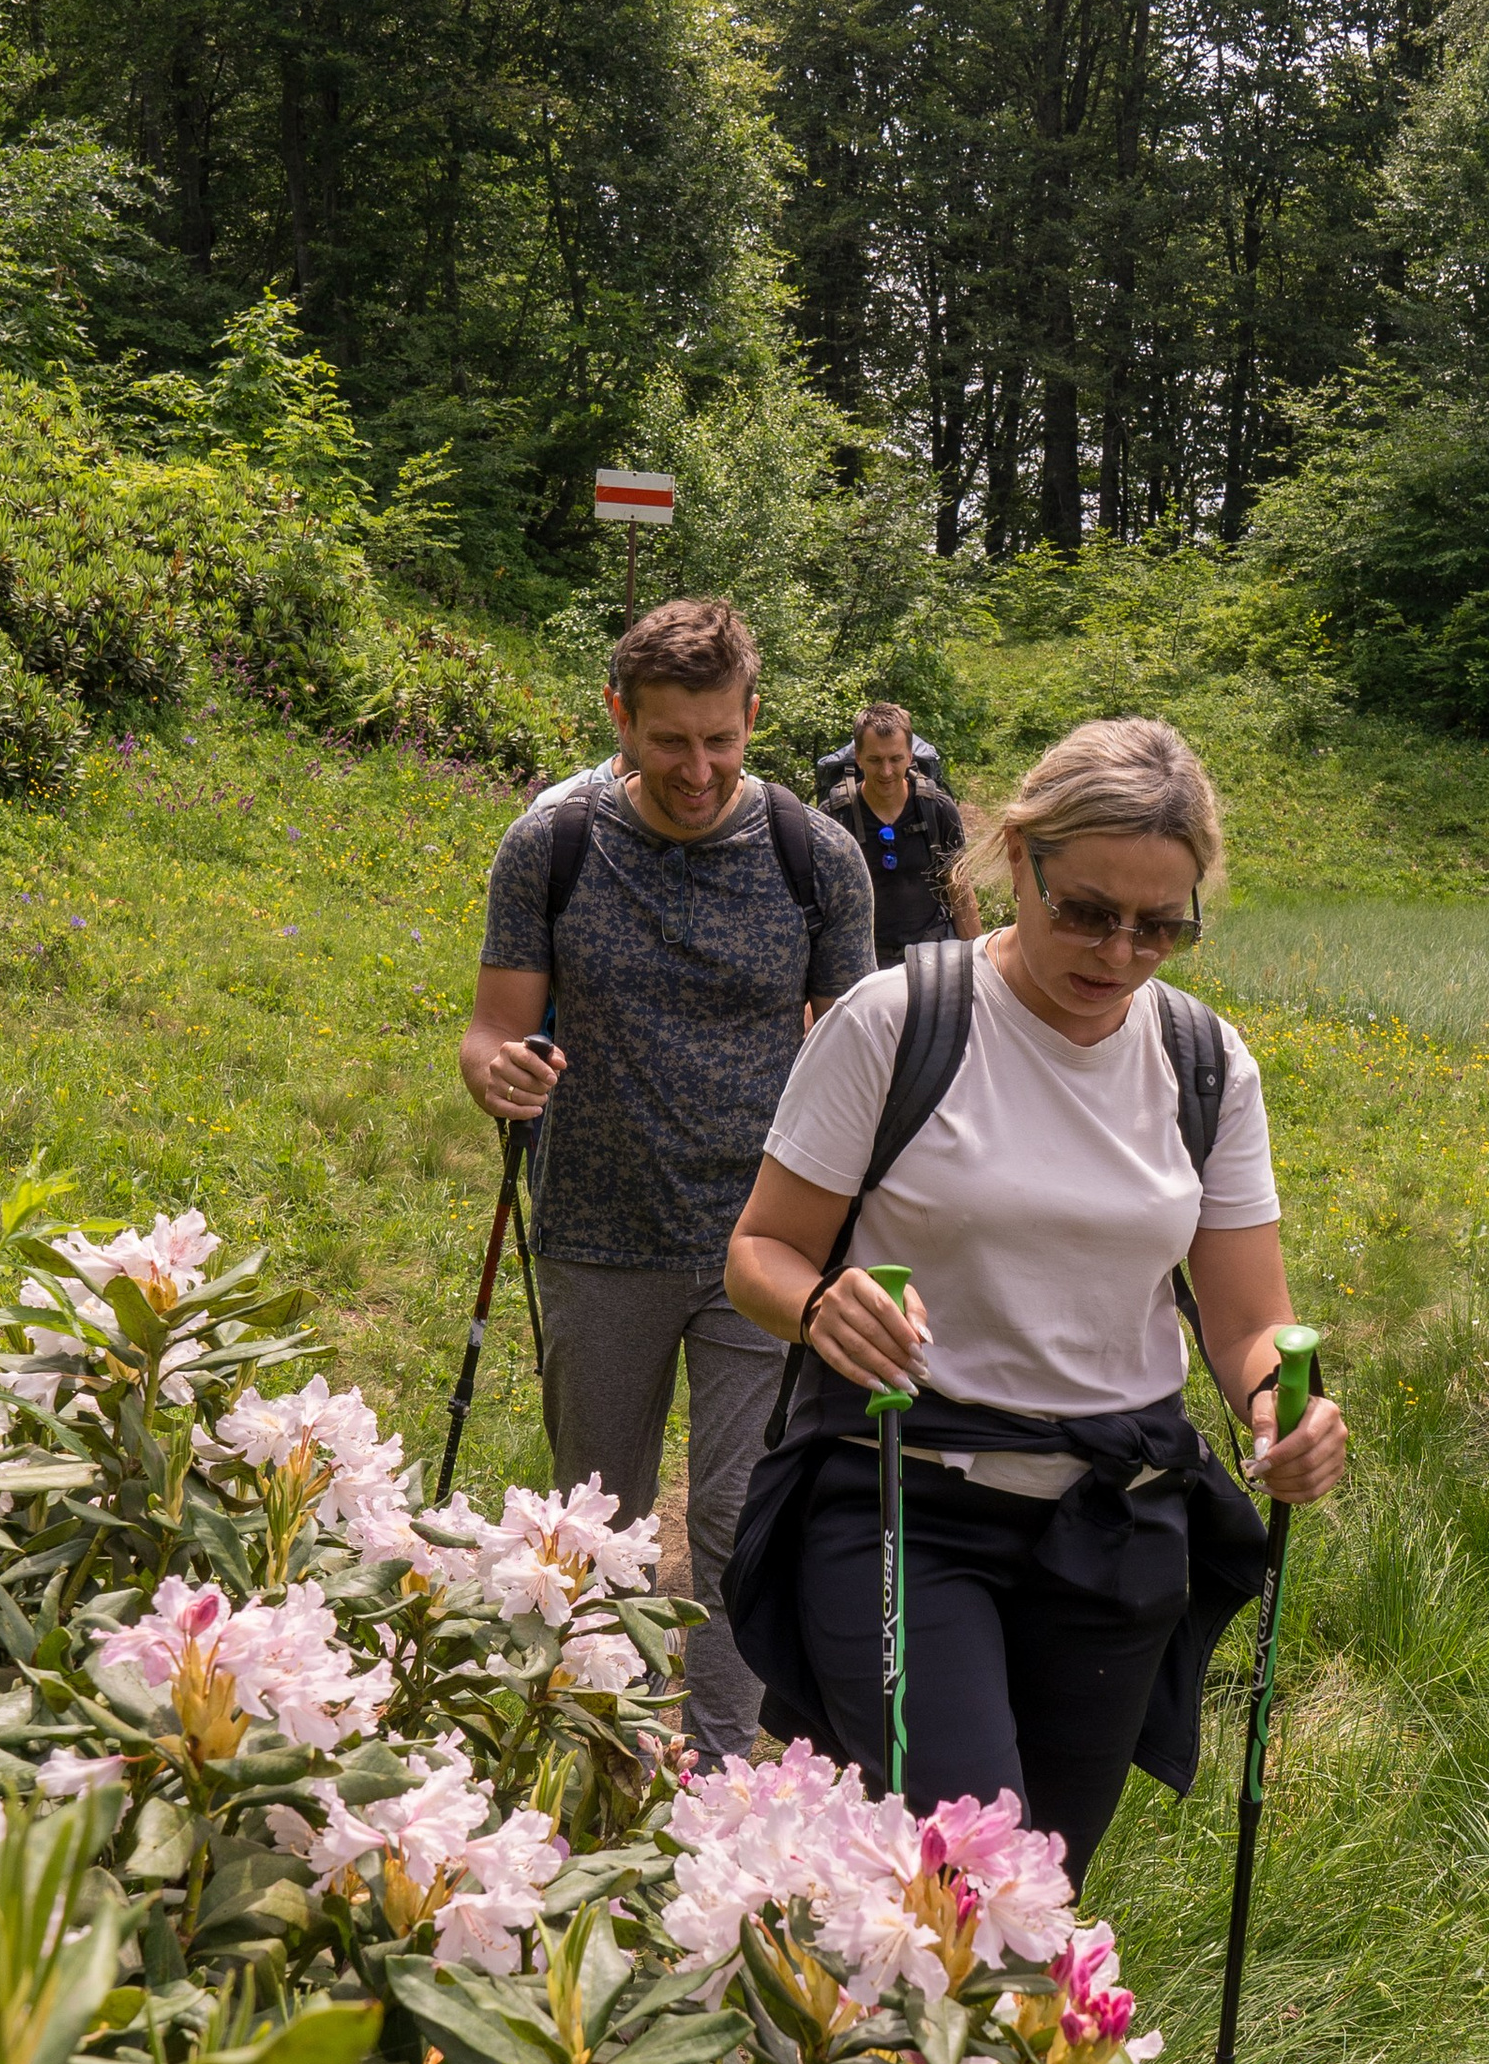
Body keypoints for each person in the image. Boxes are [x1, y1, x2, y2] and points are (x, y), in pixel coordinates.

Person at [722, 714, 1346, 1883]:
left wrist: (1283, 1407)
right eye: (1088, 912)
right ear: (1020, 860)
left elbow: (1247, 1319)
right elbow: (760, 1249)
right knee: (971, 1879)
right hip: (905, 1500)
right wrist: (817, 1310)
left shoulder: (1206, 1064)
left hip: (1114, 1524)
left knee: (1034, 1900)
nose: (1119, 951)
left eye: (1161, 925)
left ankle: (832, 2027)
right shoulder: (898, 1020)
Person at [461, 597, 874, 1761]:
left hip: (763, 1244)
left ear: (752, 718)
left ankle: (713, 1768)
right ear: (619, 721)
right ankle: (605, 1747)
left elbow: (855, 1055)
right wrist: (498, 1074)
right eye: (667, 741)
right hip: (595, 1230)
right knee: (598, 1519)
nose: (696, 770)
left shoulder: (814, 857)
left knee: (743, 1520)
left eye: (719, 740)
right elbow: (492, 1024)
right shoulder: (555, 844)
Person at [822, 702, 980, 956]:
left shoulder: (937, 809)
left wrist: (976, 962)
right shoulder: (835, 816)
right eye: (875, 760)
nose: (886, 771)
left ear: (910, 756)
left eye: (896, 759)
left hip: (931, 954)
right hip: (862, 958)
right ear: (859, 758)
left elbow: (959, 890)